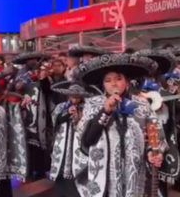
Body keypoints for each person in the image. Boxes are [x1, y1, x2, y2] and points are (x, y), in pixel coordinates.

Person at [73, 53, 166, 197]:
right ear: (103, 85)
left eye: (118, 79)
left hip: (134, 174)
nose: (114, 84)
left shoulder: (141, 105)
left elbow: (155, 134)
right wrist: (105, 111)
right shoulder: (93, 104)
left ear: (127, 81)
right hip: (104, 176)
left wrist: (151, 152)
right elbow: (87, 140)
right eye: (108, 80)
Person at [135, 49, 180, 197]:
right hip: (138, 140)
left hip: (160, 139)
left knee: (157, 183)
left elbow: (172, 114)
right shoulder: (134, 88)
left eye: (153, 65)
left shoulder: (166, 89)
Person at [11, 52, 50, 180]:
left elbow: (47, 89)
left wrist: (43, 78)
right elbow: (15, 88)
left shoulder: (42, 71)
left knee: (39, 142)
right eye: (30, 59)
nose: (32, 61)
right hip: (25, 110)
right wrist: (21, 83)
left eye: (34, 58)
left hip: (40, 111)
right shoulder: (21, 73)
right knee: (26, 141)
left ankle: (40, 170)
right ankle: (28, 169)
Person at [50, 81, 92, 197]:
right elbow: (54, 120)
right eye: (73, 96)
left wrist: (80, 118)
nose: (75, 99)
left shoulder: (87, 109)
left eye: (78, 97)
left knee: (77, 169)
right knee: (61, 168)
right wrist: (67, 113)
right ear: (68, 96)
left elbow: (89, 125)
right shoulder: (61, 107)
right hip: (62, 142)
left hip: (78, 143)